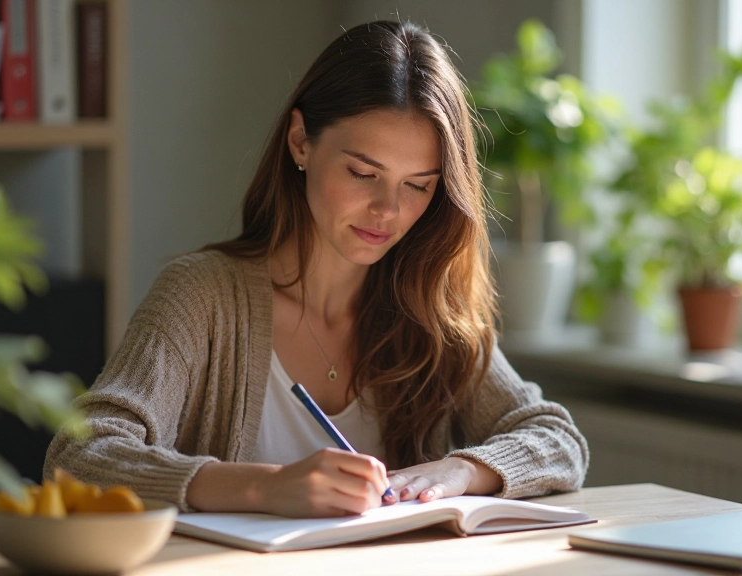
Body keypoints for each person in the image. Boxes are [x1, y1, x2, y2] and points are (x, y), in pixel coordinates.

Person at [45, 20, 588, 518]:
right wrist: (264, 487)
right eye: (362, 172)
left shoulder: (428, 307)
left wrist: (463, 471)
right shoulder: (203, 297)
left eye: (418, 184)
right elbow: (78, 457)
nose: (387, 210)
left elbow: (557, 439)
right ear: (301, 141)